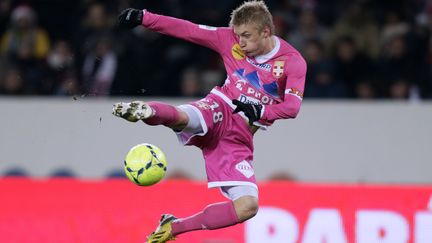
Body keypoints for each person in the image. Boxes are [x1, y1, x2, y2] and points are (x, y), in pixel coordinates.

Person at [114, 1, 306, 242]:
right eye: (238, 35)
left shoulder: (292, 61)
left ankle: (174, 227)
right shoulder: (229, 40)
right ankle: (146, 111)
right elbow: (188, 29)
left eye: (246, 36)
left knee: (248, 207)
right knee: (186, 118)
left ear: (266, 31)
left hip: (238, 139)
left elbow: (292, 107)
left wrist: (259, 111)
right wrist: (145, 18)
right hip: (220, 107)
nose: (241, 42)